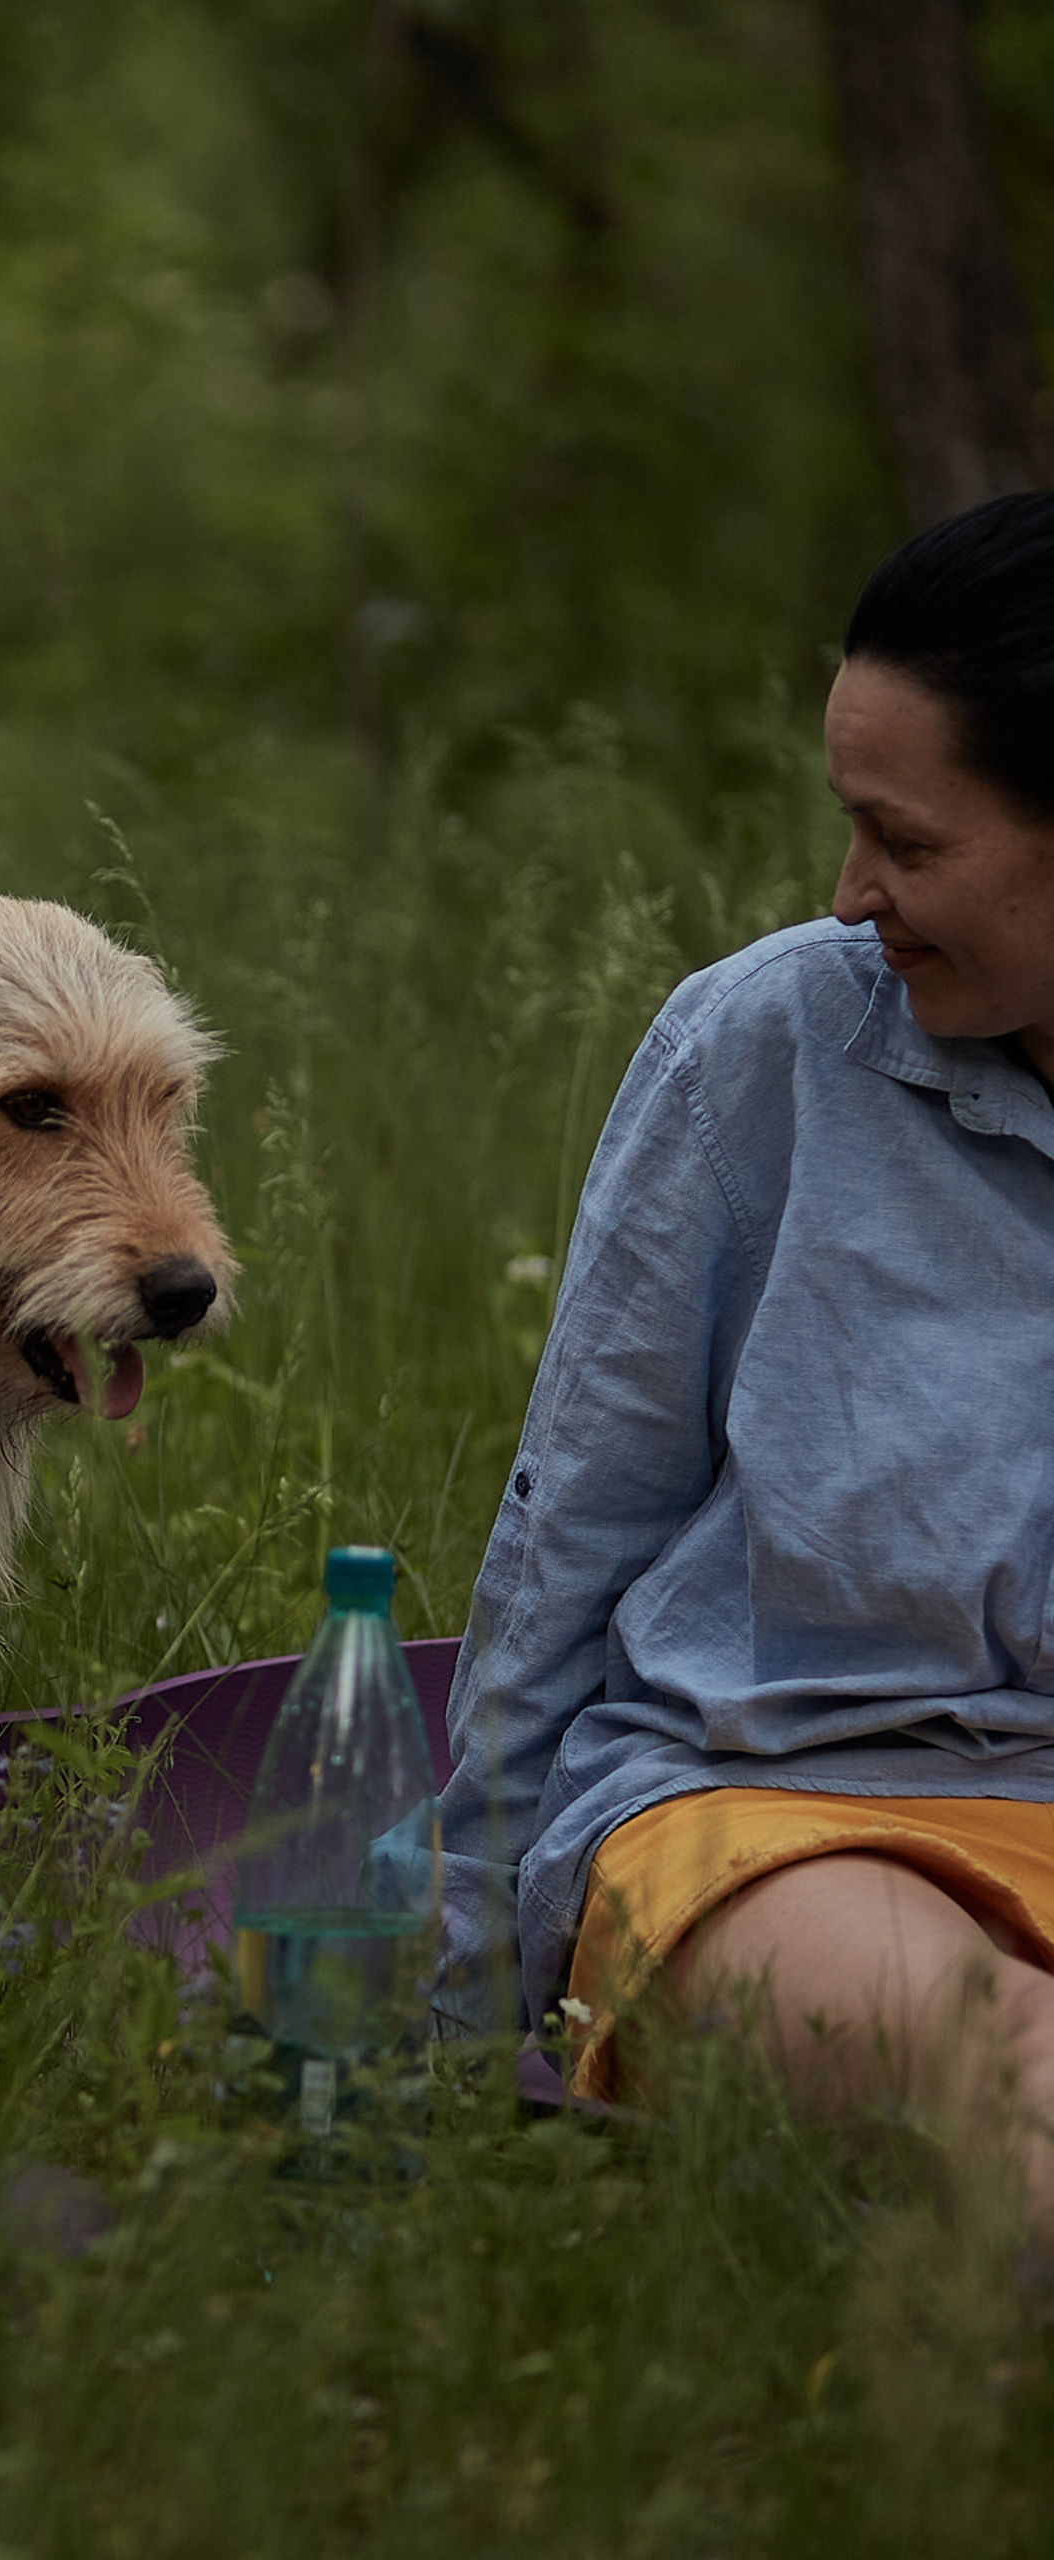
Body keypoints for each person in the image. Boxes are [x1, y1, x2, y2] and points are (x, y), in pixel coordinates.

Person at [439, 491, 1054, 2213]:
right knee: (1011, 2091)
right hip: (782, 1814)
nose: (854, 893)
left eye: (908, 844)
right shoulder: (767, 1045)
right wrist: (456, 2029)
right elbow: (571, 1543)